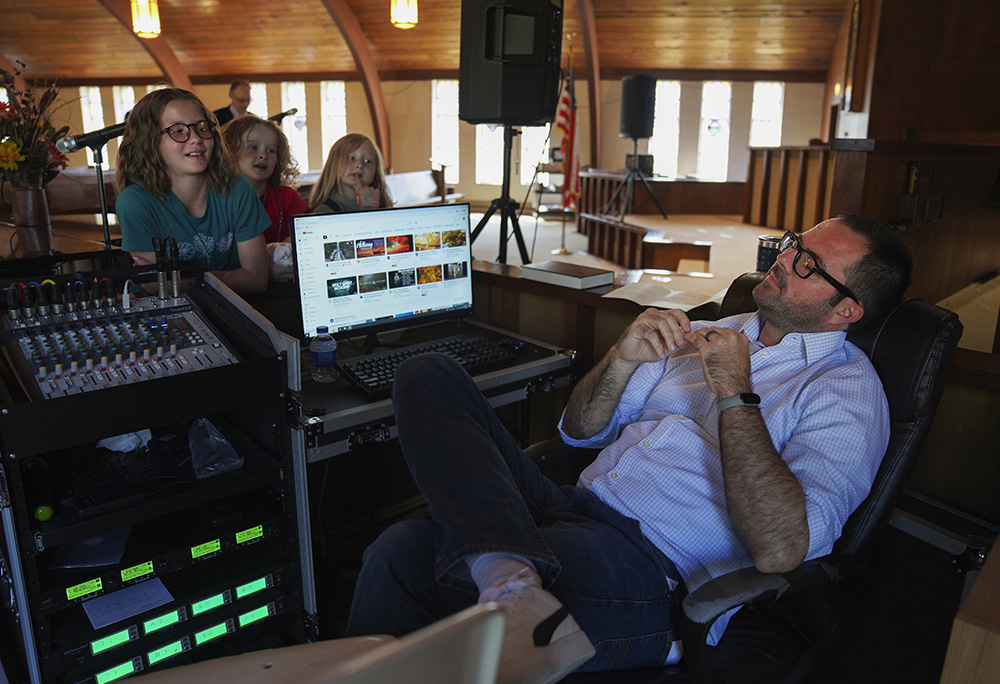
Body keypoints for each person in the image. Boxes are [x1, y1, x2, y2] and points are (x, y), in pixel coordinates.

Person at [345, 215, 913, 684]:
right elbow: (578, 431)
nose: (784, 261)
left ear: (846, 311)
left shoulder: (847, 392)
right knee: (428, 374)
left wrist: (736, 395)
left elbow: (783, 549)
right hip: (567, 508)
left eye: (809, 265)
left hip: (650, 574)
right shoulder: (714, 327)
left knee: (400, 552)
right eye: (794, 245)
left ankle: (508, 573)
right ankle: (510, 571)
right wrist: (621, 358)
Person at [116, 88, 270, 296]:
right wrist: (229, 277)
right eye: (178, 130)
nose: (196, 138)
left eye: (202, 127)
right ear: (150, 141)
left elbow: (256, 280)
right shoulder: (135, 202)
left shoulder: (236, 187)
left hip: (230, 312)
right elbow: (159, 288)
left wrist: (184, 280)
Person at [221, 115, 308, 282]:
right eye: (253, 147)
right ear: (230, 152)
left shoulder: (286, 197)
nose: (263, 155)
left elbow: (306, 239)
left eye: (271, 150)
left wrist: (292, 245)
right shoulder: (221, 201)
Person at [308, 133, 392, 214]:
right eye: (351, 158)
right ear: (334, 164)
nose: (359, 165)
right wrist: (368, 208)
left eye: (367, 161)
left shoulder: (382, 204)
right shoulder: (324, 210)